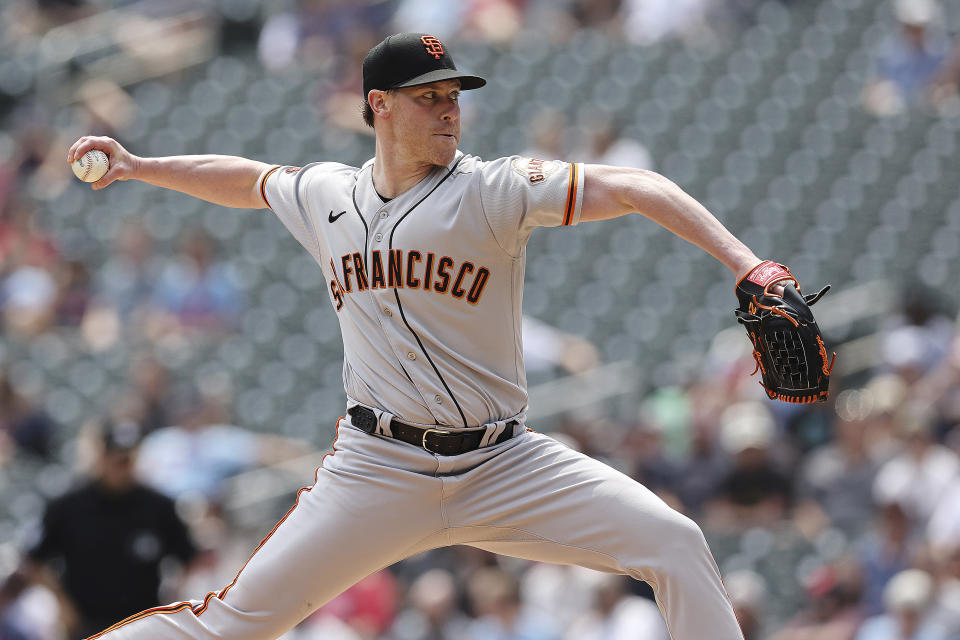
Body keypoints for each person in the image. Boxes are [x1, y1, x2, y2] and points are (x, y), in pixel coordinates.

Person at [67, 32, 771, 639]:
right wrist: (137, 166)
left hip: (505, 464)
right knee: (235, 621)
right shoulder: (328, 195)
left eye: (454, 96)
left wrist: (747, 265)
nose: (449, 110)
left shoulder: (495, 189)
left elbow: (635, 186)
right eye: (428, 97)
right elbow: (248, 180)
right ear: (378, 104)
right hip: (379, 468)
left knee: (675, 543)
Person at [7, 420, 197, 639]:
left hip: (143, 623)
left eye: (129, 459)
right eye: (117, 459)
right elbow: (34, 561)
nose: (123, 467)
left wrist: (172, 599)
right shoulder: (68, 505)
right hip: (86, 623)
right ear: (102, 457)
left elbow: (188, 557)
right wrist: (63, 604)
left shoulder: (159, 507)